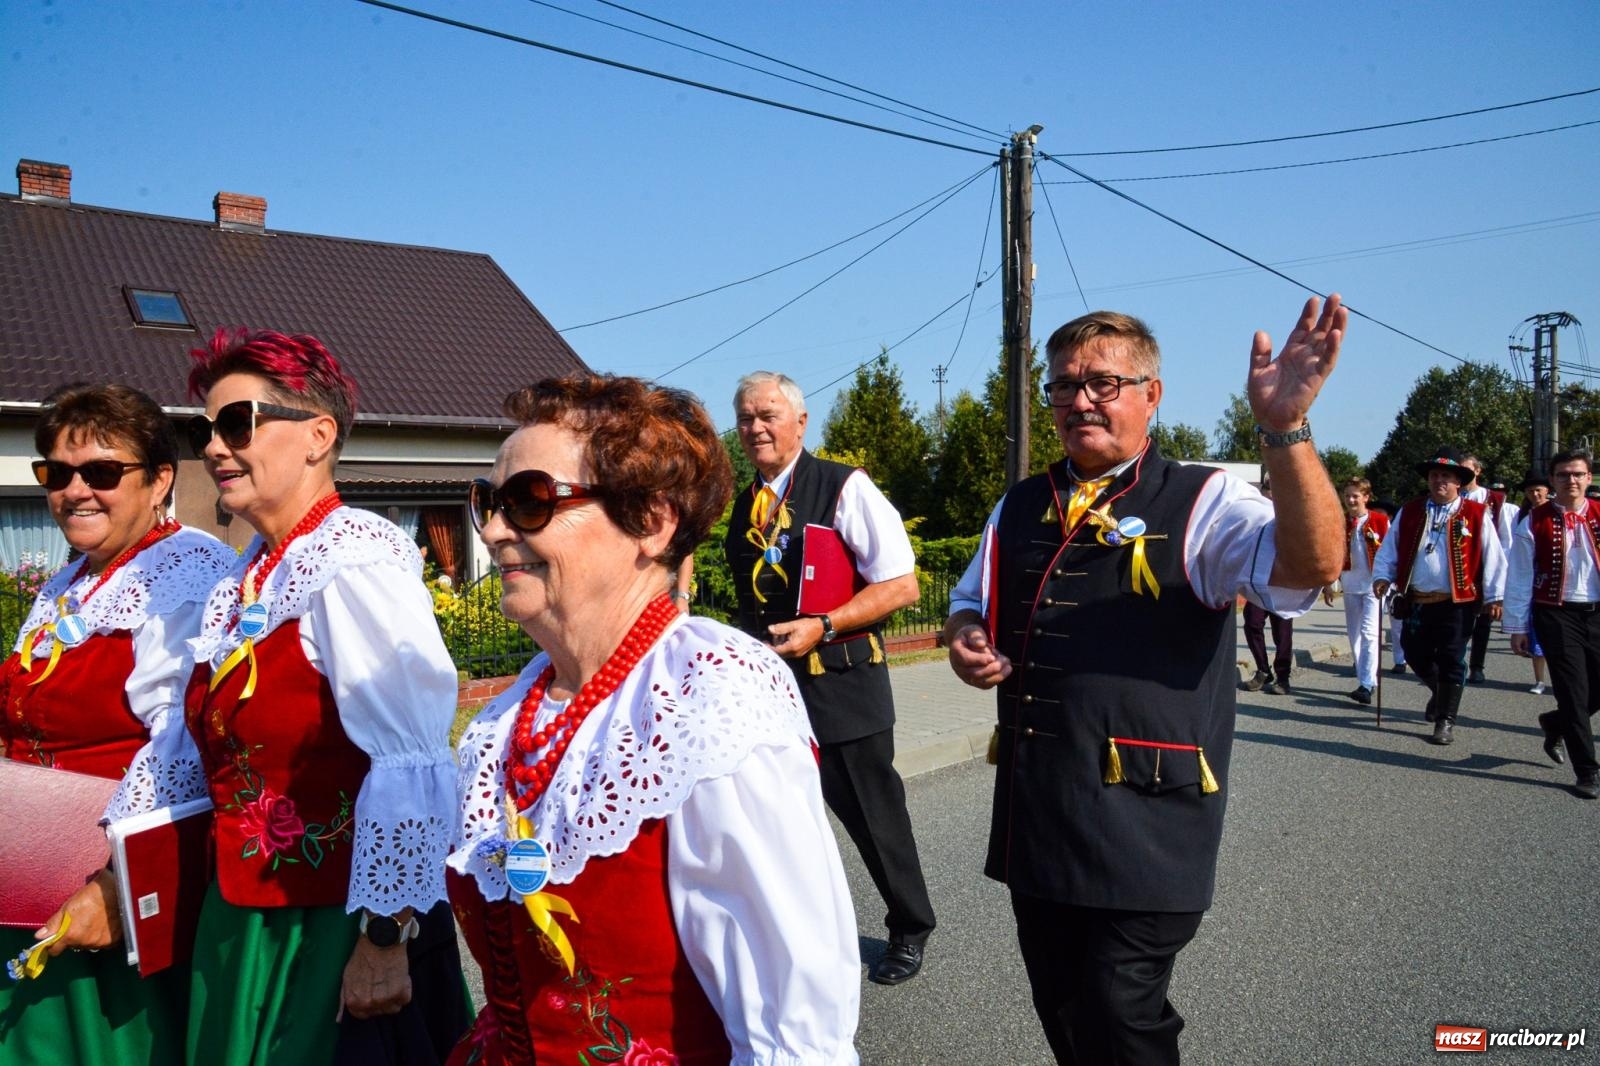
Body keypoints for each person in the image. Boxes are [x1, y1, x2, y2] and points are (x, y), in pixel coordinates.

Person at [945, 297, 1347, 1064]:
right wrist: (966, 639)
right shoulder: (1021, 502)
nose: (1080, 400)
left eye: (1104, 383)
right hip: (1039, 814)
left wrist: (1286, 431)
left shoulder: (1206, 498)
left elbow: (1310, 567)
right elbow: (970, 602)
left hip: (1146, 824)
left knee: (1121, 1013)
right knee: (1064, 1005)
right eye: (1064, 385)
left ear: (1151, 395)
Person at [447, 374, 859, 1063]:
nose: (490, 528)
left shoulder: (706, 699)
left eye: (529, 501)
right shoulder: (501, 725)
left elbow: (794, 1026)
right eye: (489, 500)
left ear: (651, 521)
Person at [183, 329, 468, 1065]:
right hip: (246, 922)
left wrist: (384, 938)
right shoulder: (250, 576)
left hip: (338, 928)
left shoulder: (354, 560)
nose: (215, 446)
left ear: (318, 435)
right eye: (206, 428)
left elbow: (414, 760)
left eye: (238, 423)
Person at [0, 383, 235, 1065]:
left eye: (102, 472)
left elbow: (183, 746)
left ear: (160, 479)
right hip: (35, 876)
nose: (76, 491)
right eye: (57, 472)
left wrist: (117, 887)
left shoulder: (187, 576)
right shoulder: (74, 580)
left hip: (111, 891)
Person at [724, 370, 937, 986]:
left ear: (800, 422)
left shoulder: (844, 487)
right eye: (744, 418)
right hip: (778, 696)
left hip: (843, 683)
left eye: (767, 415)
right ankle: (808, 932)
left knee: (874, 816)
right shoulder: (748, 506)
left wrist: (826, 621)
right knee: (789, 826)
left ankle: (910, 926)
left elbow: (902, 584)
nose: (756, 427)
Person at [1371, 446, 1506, 746]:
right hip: (1416, 599)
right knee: (1413, 652)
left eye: (1446, 475)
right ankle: (1440, 692)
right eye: (1434, 475)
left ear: (1459, 482)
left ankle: (1445, 720)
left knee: (1451, 659)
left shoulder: (1476, 513)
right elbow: (1389, 549)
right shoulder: (1411, 510)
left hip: (1457, 603)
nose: (1439, 481)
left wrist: (1494, 597)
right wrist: (1382, 576)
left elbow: (1494, 556)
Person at [1504, 451, 1600, 799]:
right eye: (1563, 475)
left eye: (1577, 474)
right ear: (1553, 480)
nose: (1571, 481)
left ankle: (1556, 723)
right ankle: (1587, 771)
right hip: (1556, 614)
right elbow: (1519, 576)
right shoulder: (1534, 521)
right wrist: (1517, 625)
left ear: (1589, 477)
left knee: (1594, 693)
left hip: (1598, 613)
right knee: (1573, 693)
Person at [1323, 476, 1388, 705]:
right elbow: (1333, 556)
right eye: (1348, 495)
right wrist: (1330, 584)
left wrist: (1390, 581)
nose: (1350, 500)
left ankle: (1368, 683)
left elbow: (1389, 553)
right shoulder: (1341, 523)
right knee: (1355, 634)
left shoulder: (1379, 521)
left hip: (1373, 585)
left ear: (1366, 498)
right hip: (1351, 584)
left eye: (1355, 496)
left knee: (1370, 633)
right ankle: (1364, 678)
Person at [1461, 454, 1513, 684]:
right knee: (1458, 619)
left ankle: (1477, 665)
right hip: (1460, 565)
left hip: (1484, 566)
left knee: (1483, 620)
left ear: (1478, 471)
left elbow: (1504, 539)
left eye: (1466, 469)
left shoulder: (1493, 499)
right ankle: (1455, 663)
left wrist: (1500, 575)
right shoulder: (1452, 498)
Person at [1512, 473, 1552, 694]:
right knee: (1536, 633)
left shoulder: (1558, 512)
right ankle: (1539, 680)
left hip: (1554, 579)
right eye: (1530, 491)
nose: (1535, 494)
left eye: (1539, 490)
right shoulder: (1524, 516)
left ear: (1547, 490)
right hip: (1533, 579)